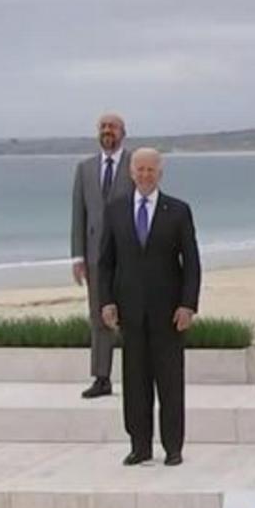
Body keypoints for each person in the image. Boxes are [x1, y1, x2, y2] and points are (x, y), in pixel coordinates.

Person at [98, 147, 201, 467]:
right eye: (140, 169)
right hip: (130, 312)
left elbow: (192, 263)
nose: (145, 175)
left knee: (169, 383)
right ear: (131, 172)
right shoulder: (115, 210)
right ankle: (139, 446)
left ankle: (173, 447)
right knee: (135, 382)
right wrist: (106, 301)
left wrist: (187, 305)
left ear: (160, 173)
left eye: (150, 170)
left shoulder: (178, 210)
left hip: (168, 313)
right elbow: (106, 263)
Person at [71, 113, 135, 399]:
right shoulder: (85, 168)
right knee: (98, 316)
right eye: (103, 127)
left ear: (123, 132)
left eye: (113, 127)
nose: (108, 131)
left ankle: (136, 374)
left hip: (128, 255)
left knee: (131, 314)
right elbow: (78, 214)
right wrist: (77, 256)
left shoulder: (134, 164)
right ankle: (101, 377)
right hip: (96, 256)